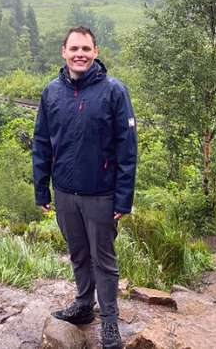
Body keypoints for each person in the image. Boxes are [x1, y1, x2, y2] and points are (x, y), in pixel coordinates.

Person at [32, 26, 137, 349]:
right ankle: (82, 305)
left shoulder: (114, 91)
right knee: (78, 253)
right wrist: (41, 189)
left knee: (103, 259)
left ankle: (109, 322)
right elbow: (41, 142)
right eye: (74, 48)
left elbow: (127, 149)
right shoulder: (51, 92)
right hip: (65, 193)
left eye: (86, 49)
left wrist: (124, 199)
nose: (80, 54)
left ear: (96, 52)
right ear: (63, 52)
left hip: (101, 195)